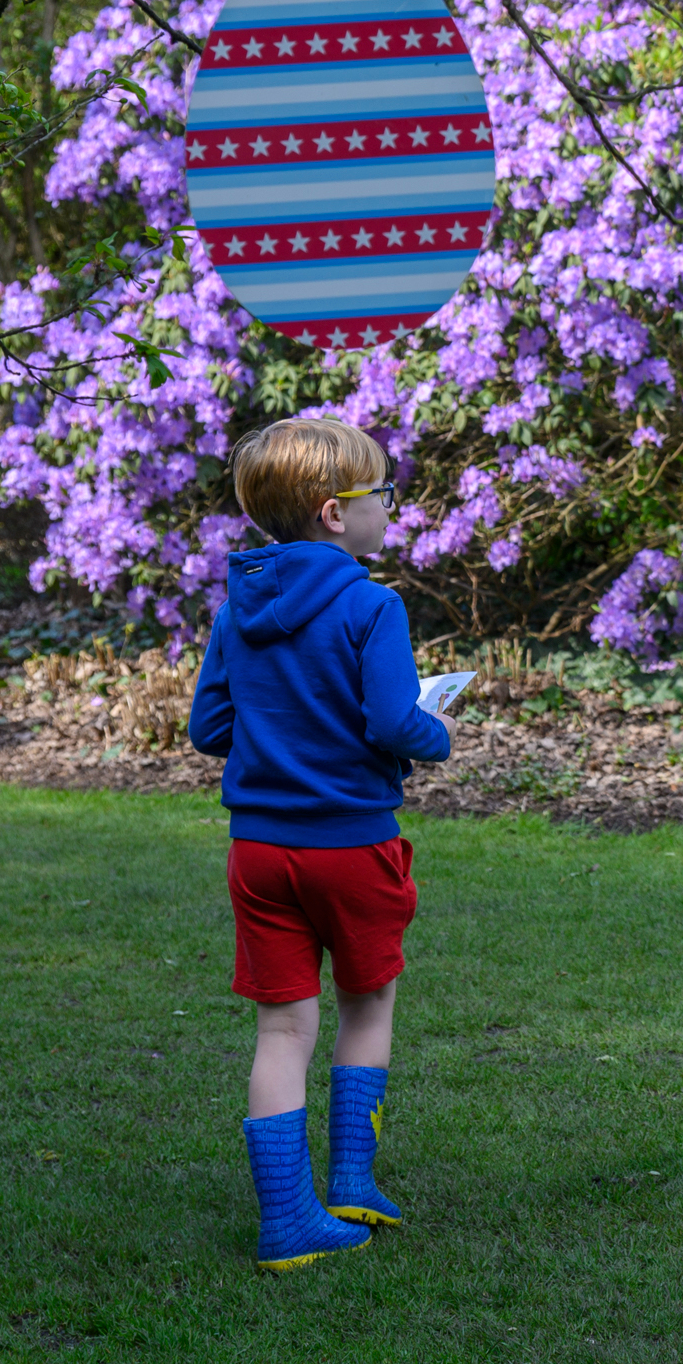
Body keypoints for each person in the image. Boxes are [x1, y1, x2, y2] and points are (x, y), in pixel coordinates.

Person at [189, 417, 454, 1270]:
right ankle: (352, 1181)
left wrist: (284, 735)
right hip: (353, 845)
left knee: (282, 1030)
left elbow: (209, 727)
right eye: (383, 497)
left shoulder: (240, 605)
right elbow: (391, 722)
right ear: (335, 514)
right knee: (366, 1004)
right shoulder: (373, 604)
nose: (391, 511)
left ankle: (287, 1222)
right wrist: (439, 729)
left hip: (259, 852)